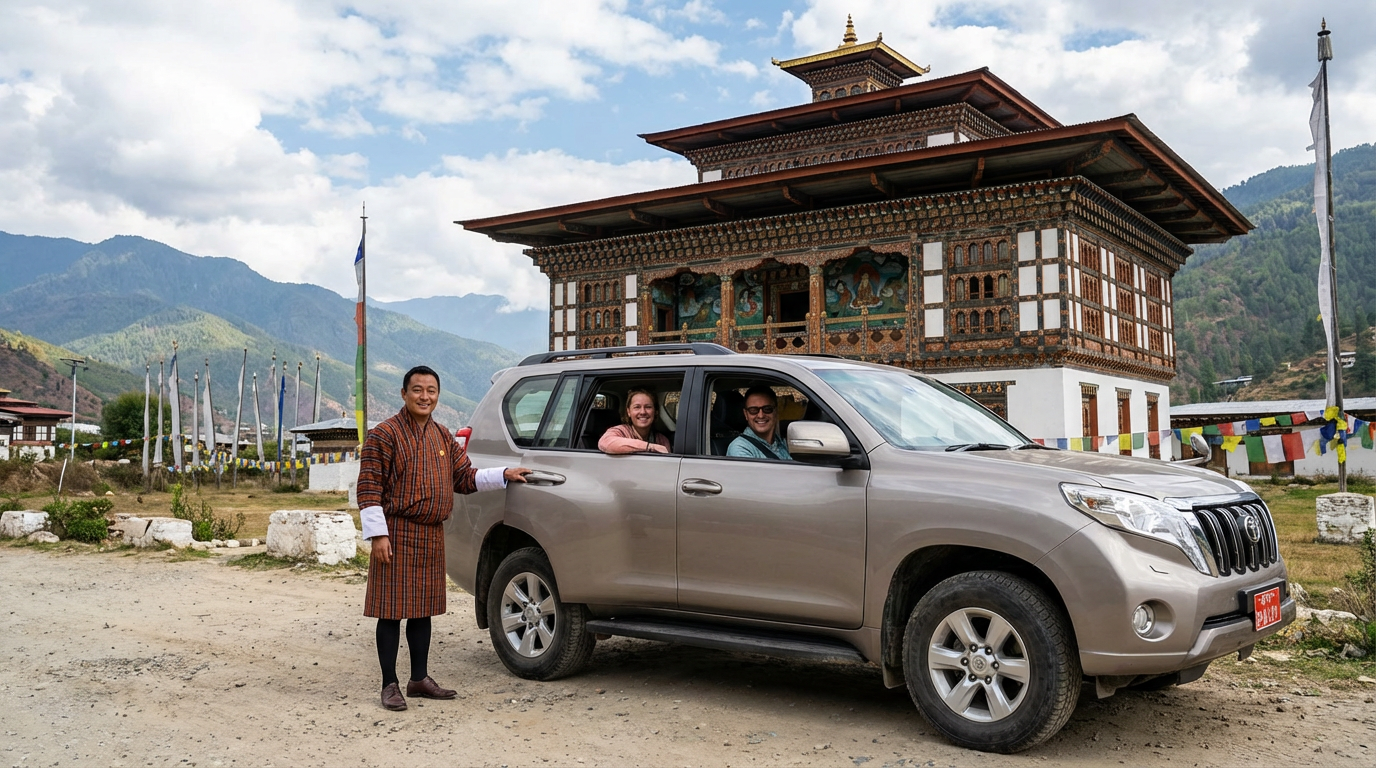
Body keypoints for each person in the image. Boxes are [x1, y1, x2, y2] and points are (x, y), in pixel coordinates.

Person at [357, 365, 532, 712]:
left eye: (431, 391)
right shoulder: (384, 434)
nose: (425, 397)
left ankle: (419, 678)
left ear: (438, 395)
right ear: (404, 393)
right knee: (391, 611)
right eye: (418, 390)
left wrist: (504, 474)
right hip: (397, 530)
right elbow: (369, 487)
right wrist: (378, 535)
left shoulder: (441, 436)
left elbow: (465, 478)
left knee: (423, 610)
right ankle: (389, 683)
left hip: (431, 533)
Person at [727, 384, 792, 460]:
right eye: (753, 410)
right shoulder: (740, 448)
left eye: (767, 409)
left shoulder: (780, 442)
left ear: (776, 411)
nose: (761, 415)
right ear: (746, 414)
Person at [597, 387, 672, 454]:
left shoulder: (662, 440)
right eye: (637, 407)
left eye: (648, 407)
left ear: (655, 411)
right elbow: (605, 443)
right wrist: (649, 447)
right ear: (629, 412)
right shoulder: (620, 431)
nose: (643, 412)